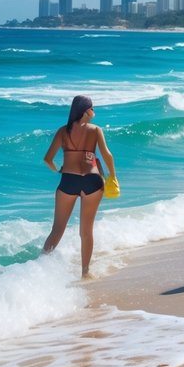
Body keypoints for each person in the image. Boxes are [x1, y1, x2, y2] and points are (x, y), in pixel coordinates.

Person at [42, 95, 117, 278]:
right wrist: (113, 176)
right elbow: (107, 155)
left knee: (57, 229)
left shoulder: (63, 131)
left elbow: (47, 159)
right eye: (92, 108)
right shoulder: (95, 130)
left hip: (68, 181)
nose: (94, 112)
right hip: (92, 181)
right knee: (86, 231)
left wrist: (59, 170)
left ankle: (39, 269)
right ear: (85, 111)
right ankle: (85, 272)